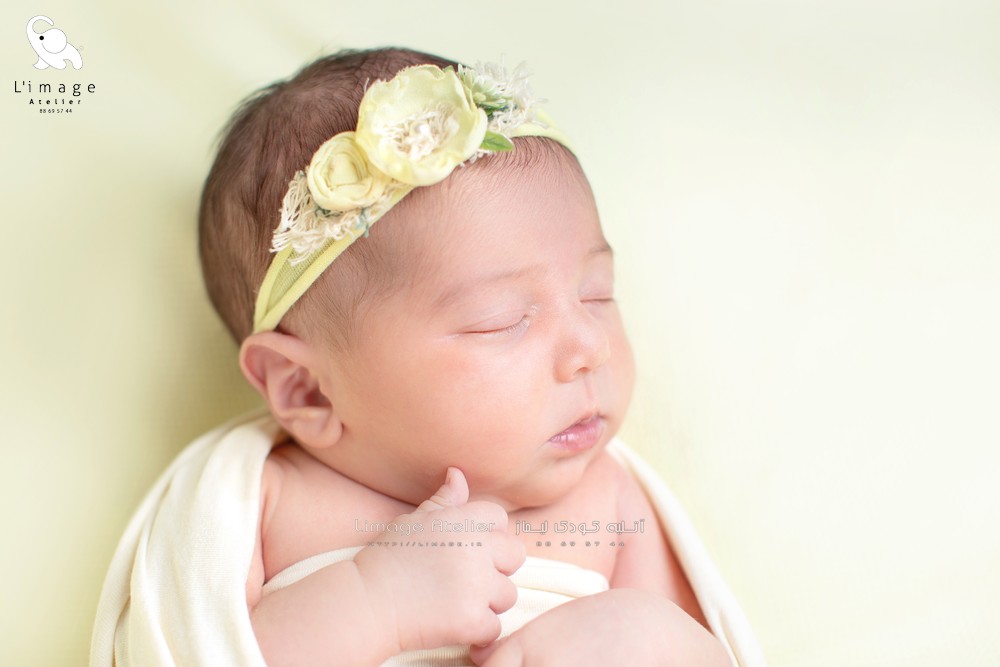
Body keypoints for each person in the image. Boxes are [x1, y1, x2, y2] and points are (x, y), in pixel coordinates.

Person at [91, 47, 765, 667]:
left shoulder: (609, 498)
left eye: (597, 294)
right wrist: (373, 600)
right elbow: (189, 652)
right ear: (307, 390)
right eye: (502, 320)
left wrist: (633, 635)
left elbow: (707, 653)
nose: (592, 347)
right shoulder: (263, 498)